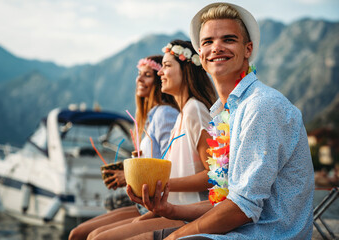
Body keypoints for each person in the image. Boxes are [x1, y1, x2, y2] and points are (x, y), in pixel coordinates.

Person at [126, 3, 315, 240]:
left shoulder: (261, 105)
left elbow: (241, 208)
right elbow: (226, 202)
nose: (216, 47)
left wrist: (175, 237)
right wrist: (170, 210)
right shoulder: (224, 113)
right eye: (207, 42)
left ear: (248, 49)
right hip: (236, 229)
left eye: (228, 39)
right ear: (201, 57)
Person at [86, 39, 217, 240]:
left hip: (189, 214)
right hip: (172, 208)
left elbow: (213, 176)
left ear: (186, 70)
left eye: (166, 66)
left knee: (98, 238)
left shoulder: (195, 110)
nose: (160, 73)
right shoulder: (182, 114)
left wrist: (164, 186)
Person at [68, 55, 179, 240]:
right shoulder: (153, 116)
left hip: (156, 204)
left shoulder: (165, 114)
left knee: (85, 235)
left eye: (147, 75)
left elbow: (170, 164)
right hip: (145, 203)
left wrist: (128, 176)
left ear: (161, 79)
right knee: (77, 233)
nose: (139, 80)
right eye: (139, 74)